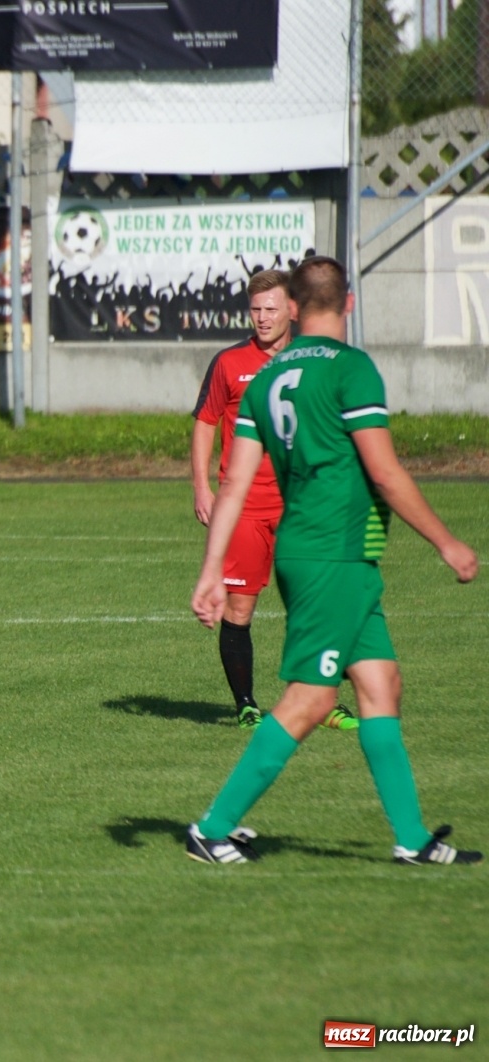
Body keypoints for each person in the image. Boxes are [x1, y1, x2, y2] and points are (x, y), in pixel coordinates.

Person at [187, 255, 480, 867]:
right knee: (312, 699)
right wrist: (446, 541)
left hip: (318, 551)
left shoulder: (267, 377)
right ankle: (211, 828)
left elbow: (234, 484)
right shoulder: (351, 369)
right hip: (332, 554)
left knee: (380, 684)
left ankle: (411, 838)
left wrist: (212, 570)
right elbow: (384, 470)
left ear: (293, 306)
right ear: (349, 303)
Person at [190, 268, 356, 733]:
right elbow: (204, 422)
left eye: (271, 309)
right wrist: (202, 486)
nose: (262, 318)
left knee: (314, 603)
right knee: (239, 609)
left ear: (292, 311)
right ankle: (246, 705)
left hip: (300, 504)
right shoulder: (228, 363)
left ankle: (324, 701)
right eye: (255, 310)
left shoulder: (312, 361)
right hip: (243, 506)